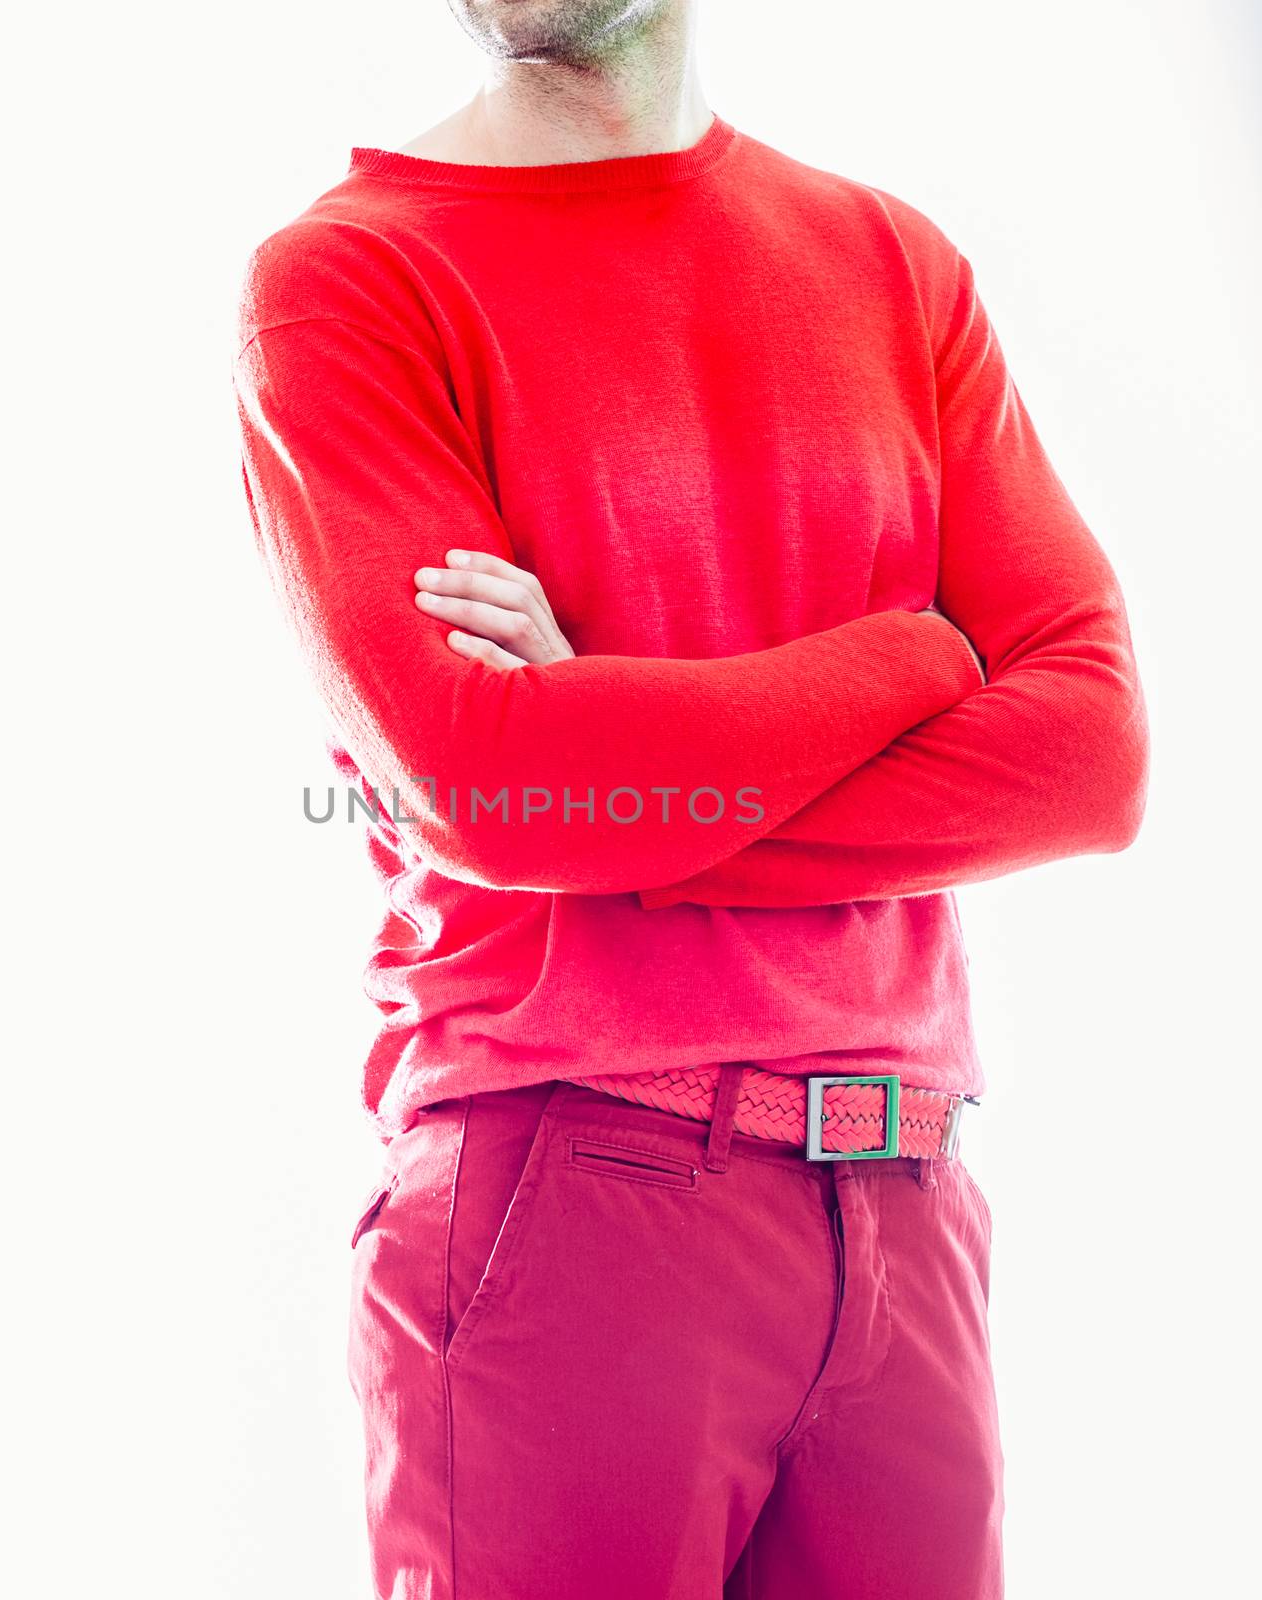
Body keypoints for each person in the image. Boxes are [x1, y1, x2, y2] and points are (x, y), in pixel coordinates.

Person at [230, 2, 1149, 1594]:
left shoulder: (893, 265)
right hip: (571, 1198)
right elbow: (493, 794)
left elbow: (1093, 757)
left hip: (909, 1198)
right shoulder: (351, 280)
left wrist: (629, 779)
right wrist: (914, 654)